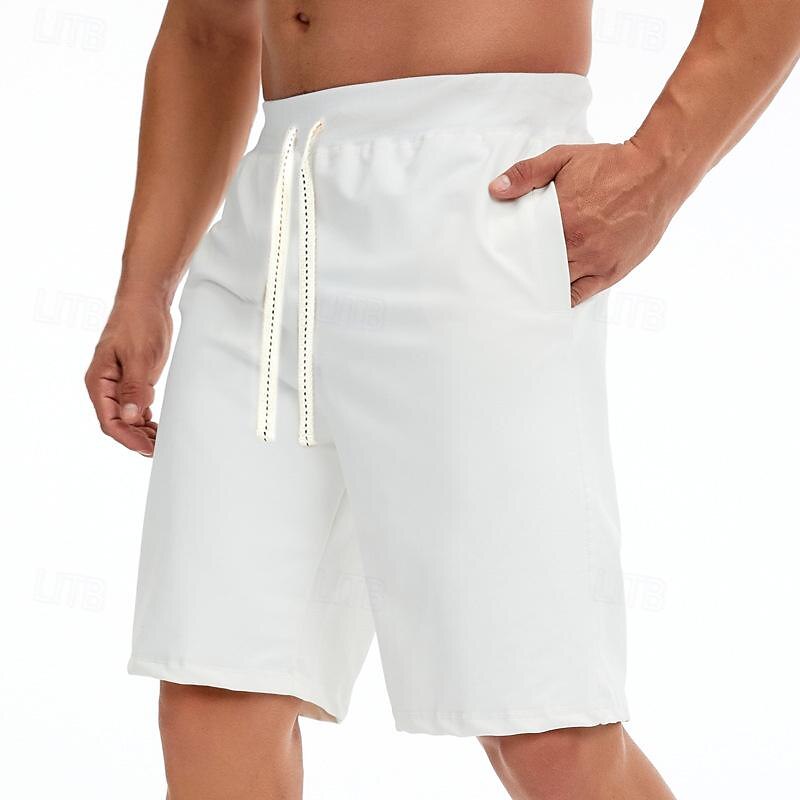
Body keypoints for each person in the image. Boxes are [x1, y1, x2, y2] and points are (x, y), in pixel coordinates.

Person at [85, 1, 800, 797]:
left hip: (476, 190)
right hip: (271, 215)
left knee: (546, 729)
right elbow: (209, 31)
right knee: (212, 693)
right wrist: (145, 286)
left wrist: (660, 169)